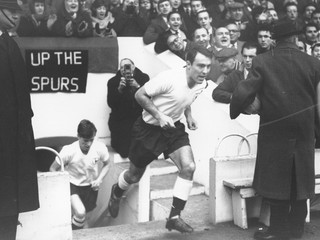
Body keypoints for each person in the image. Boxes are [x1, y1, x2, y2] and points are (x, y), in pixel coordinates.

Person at [230, 20, 320, 240]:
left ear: (274, 39)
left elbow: (244, 92)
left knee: (277, 183)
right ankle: (296, 231)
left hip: (275, 132)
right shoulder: (314, 63)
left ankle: (278, 232)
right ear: (296, 38)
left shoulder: (261, 61)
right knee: (301, 183)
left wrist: (237, 108)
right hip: (305, 132)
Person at [107, 45, 212, 233]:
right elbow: (140, 95)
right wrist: (159, 116)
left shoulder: (202, 83)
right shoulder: (169, 78)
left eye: (208, 67)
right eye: (201, 66)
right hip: (147, 130)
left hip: (173, 129)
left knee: (188, 167)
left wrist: (188, 116)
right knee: (134, 175)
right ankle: (117, 191)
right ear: (188, 64)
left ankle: (174, 217)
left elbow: (188, 98)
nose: (205, 71)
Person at [0, 1, 39, 239]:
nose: (16, 16)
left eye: (18, 13)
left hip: (13, 143)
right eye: (11, 11)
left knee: (9, 211)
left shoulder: (10, 44)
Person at [50, 119, 110, 230]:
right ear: (78, 136)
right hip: (73, 185)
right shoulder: (69, 150)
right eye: (85, 141)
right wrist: (62, 185)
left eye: (91, 140)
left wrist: (99, 179)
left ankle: (72, 232)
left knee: (85, 223)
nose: (89, 144)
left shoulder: (99, 148)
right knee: (80, 212)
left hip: (90, 187)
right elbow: (52, 169)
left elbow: (107, 164)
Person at [107, 58, 150, 158]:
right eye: (122, 67)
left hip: (139, 119)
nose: (124, 69)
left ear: (133, 67)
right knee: (124, 152)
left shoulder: (144, 78)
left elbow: (149, 99)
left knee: (141, 152)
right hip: (121, 121)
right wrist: (119, 90)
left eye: (127, 66)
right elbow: (110, 104)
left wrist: (138, 87)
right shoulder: (113, 82)